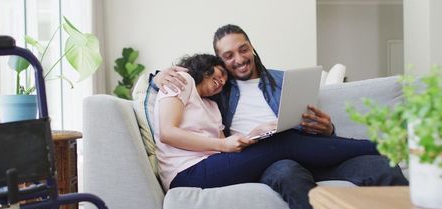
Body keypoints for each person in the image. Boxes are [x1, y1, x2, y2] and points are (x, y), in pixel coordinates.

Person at [150, 25, 408, 209]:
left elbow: (309, 121)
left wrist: (328, 130)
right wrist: (157, 77)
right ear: (218, 62)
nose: (238, 59)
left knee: (382, 166)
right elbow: (177, 90)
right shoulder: (219, 91)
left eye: (243, 49)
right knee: (285, 167)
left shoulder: (283, 79)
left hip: (308, 149)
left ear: (252, 48)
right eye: (228, 56)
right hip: (270, 160)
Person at [155, 53, 381, 193]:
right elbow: (167, 132)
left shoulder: (213, 107)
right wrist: (223, 146)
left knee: (277, 137)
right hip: (185, 174)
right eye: (219, 73)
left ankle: (375, 150)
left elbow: (224, 146)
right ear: (203, 66)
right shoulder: (181, 80)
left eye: (225, 78)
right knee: (284, 142)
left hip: (212, 166)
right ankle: (379, 146)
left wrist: (257, 132)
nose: (222, 80)